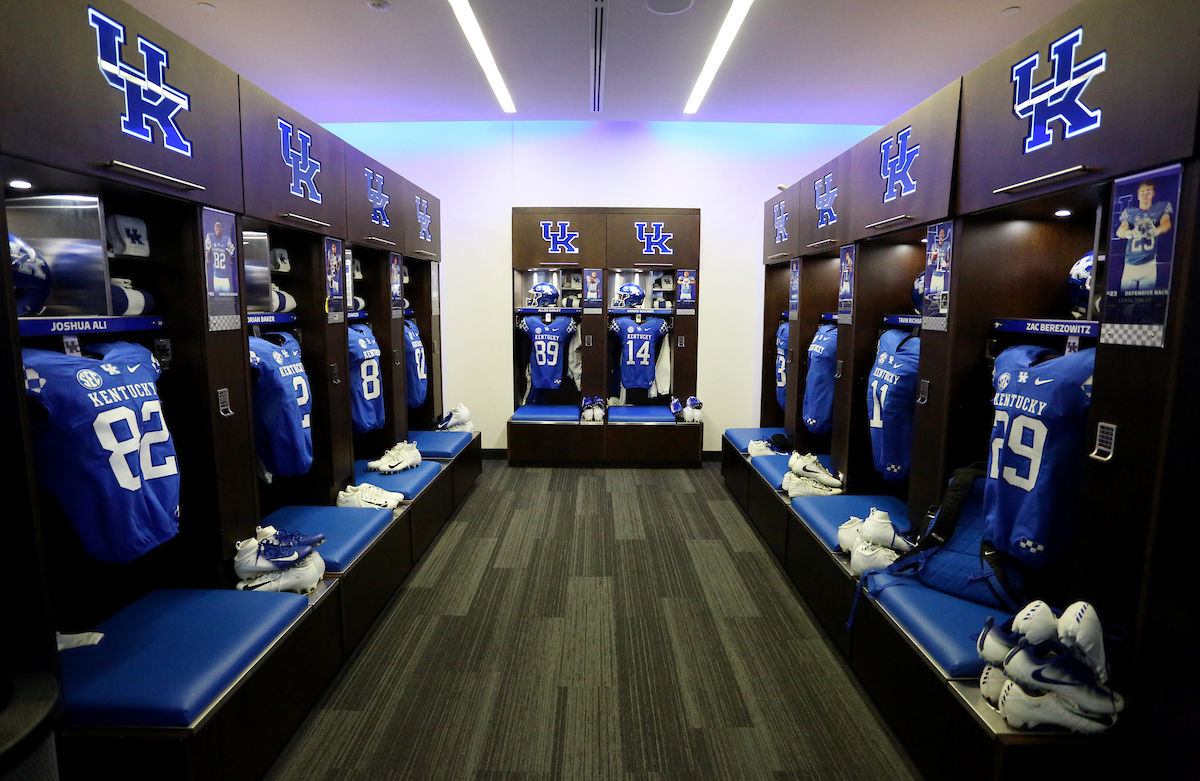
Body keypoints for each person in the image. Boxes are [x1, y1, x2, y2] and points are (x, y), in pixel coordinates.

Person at [1116, 179, 1172, 291]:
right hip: (1130, 264)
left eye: (1148, 191)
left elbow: (1166, 223)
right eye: (1142, 192)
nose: (1145, 195)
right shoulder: (1130, 212)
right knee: (1125, 299)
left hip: (1149, 263)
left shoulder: (1160, 208)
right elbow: (1120, 231)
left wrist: (1156, 231)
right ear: (1138, 195)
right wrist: (1130, 233)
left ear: (1153, 193)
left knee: (1146, 299)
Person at [204, 220, 236, 294]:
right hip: (216, 276)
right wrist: (208, 250)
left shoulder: (226, 240)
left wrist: (230, 253)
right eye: (216, 226)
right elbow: (207, 260)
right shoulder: (210, 237)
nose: (218, 228)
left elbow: (232, 261)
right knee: (217, 298)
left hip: (225, 277)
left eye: (219, 227)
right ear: (214, 228)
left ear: (222, 229)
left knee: (227, 298)